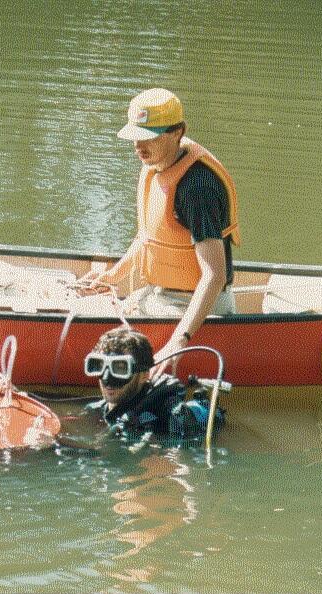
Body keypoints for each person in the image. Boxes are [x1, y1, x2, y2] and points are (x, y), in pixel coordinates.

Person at [80, 88, 241, 377]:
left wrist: (177, 343)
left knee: (102, 325)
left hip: (190, 303)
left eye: (150, 137)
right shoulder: (158, 163)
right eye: (135, 137)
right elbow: (148, 237)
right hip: (161, 293)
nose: (138, 147)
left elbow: (214, 275)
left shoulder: (197, 189)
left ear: (178, 132)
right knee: (93, 300)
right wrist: (113, 276)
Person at [83, 327, 223, 439]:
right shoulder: (95, 409)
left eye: (120, 368)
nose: (107, 379)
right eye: (99, 366)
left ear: (145, 375)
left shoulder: (171, 417)